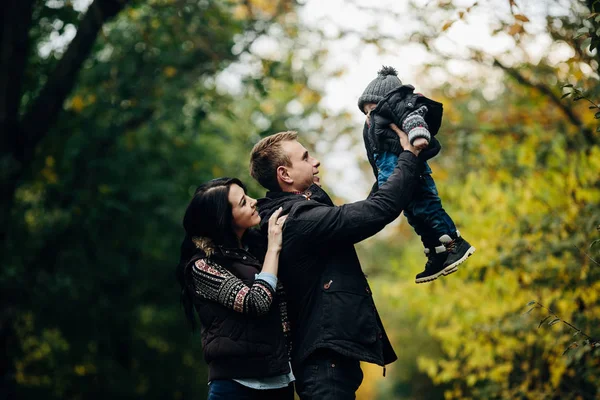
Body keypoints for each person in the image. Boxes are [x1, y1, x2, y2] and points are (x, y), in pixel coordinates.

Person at [249, 129, 426, 399]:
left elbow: (373, 204)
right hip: (323, 362)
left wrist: (393, 156)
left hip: (326, 359)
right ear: (285, 174)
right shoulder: (298, 220)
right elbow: (379, 210)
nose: (315, 161)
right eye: (305, 158)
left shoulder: (299, 213)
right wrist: (410, 156)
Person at [176, 177, 295, 400]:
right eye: (242, 202)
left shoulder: (256, 249)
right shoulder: (203, 266)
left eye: (246, 195)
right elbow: (256, 302)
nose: (253, 202)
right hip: (235, 386)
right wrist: (274, 249)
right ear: (223, 220)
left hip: (280, 380)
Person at [358, 66, 475, 284]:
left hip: (415, 175)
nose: (369, 115)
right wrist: (380, 186)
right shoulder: (371, 130)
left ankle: (455, 243)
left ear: (387, 103)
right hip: (396, 182)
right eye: (365, 112)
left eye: (372, 109)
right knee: (414, 217)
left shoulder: (398, 109)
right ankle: (436, 252)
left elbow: (413, 117)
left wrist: (418, 135)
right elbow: (376, 161)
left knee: (427, 208)